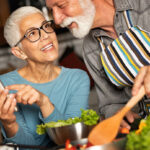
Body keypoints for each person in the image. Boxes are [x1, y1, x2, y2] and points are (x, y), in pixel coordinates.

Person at [46, 0, 150, 130]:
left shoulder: (144, 6)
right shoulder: (91, 47)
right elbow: (111, 102)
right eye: (51, 10)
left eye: (61, 6)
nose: (56, 20)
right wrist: (115, 112)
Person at [0, 6, 90, 147]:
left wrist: (44, 103)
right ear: (19, 52)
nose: (45, 35)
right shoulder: (5, 85)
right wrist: (9, 123)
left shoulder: (77, 78)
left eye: (46, 26)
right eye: (32, 33)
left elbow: (71, 141)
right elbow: (25, 148)